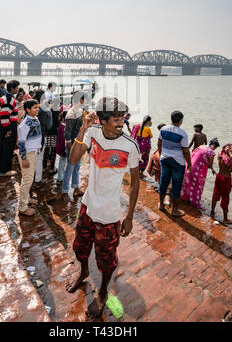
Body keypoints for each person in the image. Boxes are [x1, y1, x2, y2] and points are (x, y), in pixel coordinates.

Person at [66, 97, 140, 319]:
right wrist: (82, 129)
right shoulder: (92, 132)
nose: (121, 122)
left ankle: (104, 290)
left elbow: (136, 182)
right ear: (103, 120)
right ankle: (84, 272)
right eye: (116, 119)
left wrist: (129, 217)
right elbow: (72, 160)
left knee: (107, 259)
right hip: (88, 206)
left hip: (109, 214)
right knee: (79, 247)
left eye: (123, 118)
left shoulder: (130, 145)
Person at [158, 110, 191, 217]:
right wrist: (189, 164)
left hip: (164, 159)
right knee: (176, 186)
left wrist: (161, 155)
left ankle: (161, 205)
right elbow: (186, 151)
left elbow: (159, 143)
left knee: (164, 182)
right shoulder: (183, 134)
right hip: (178, 162)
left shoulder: (163, 129)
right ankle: (175, 210)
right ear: (181, 121)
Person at [17, 100, 42, 217]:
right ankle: (22, 207)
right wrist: (23, 158)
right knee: (27, 180)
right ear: (28, 110)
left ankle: (26, 198)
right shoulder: (25, 124)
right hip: (27, 154)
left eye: (37, 107)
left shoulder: (35, 119)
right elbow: (20, 142)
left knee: (29, 178)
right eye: (34, 108)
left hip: (34, 152)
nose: (37, 109)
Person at [180, 138, 220, 209]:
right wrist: (212, 168)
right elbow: (210, 165)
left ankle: (185, 198)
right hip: (197, 170)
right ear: (214, 146)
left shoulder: (201, 146)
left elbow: (193, 154)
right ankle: (195, 202)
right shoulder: (211, 152)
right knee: (197, 185)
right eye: (215, 148)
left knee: (188, 182)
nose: (214, 149)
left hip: (189, 166)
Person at [62, 92, 85, 202]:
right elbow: (67, 134)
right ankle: (65, 191)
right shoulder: (71, 114)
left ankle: (76, 188)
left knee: (77, 167)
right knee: (69, 169)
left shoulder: (80, 111)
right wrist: (71, 148)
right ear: (80, 100)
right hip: (72, 146)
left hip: (79, 144)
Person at [0, 79, 20, 177]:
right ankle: (5, 170)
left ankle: (1, 167)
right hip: (7, 126)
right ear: (12, 88)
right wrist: (7, 130)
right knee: (7, 149)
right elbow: (5, 116)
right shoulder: (9, 99)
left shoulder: (4, 97)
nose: (17, 90)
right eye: (16, 88)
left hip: (1, 124)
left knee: (2, 148)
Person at [211, 144, 232, 224]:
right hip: (226, 179)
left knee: (216, 194)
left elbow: (219, 164)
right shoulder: (230, 160)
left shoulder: (220, 155)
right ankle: (225, 219)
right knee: (225, 198)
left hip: (219, 176)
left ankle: (212, 212)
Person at [34, 90, 53, 185]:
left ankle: (31, 176)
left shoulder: (30, 106)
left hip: (30, 136)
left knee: (31, 157)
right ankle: (38, 179)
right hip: (40, 136)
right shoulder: (46, 110)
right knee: (38, 158)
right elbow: (49, 126)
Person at [56, 110, 68, 184]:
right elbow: (63, 140)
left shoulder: (61, 125)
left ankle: (60, 176)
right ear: (64, 119)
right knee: (62, 163)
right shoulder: (63, 127)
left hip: (60, 147)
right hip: (63, 148)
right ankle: (60, 177)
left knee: (62, 162)